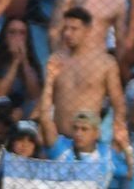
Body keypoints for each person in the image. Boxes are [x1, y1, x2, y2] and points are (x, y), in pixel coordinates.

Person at [46, 8, 127, 148]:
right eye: (65, 28)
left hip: (89, 143)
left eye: (74, 29)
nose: (67, 34)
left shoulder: (105, 63)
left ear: (88, 30)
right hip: (58, 140)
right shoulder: (56, 60)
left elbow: (118, 105)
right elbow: (46, 99)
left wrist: (115, 137)